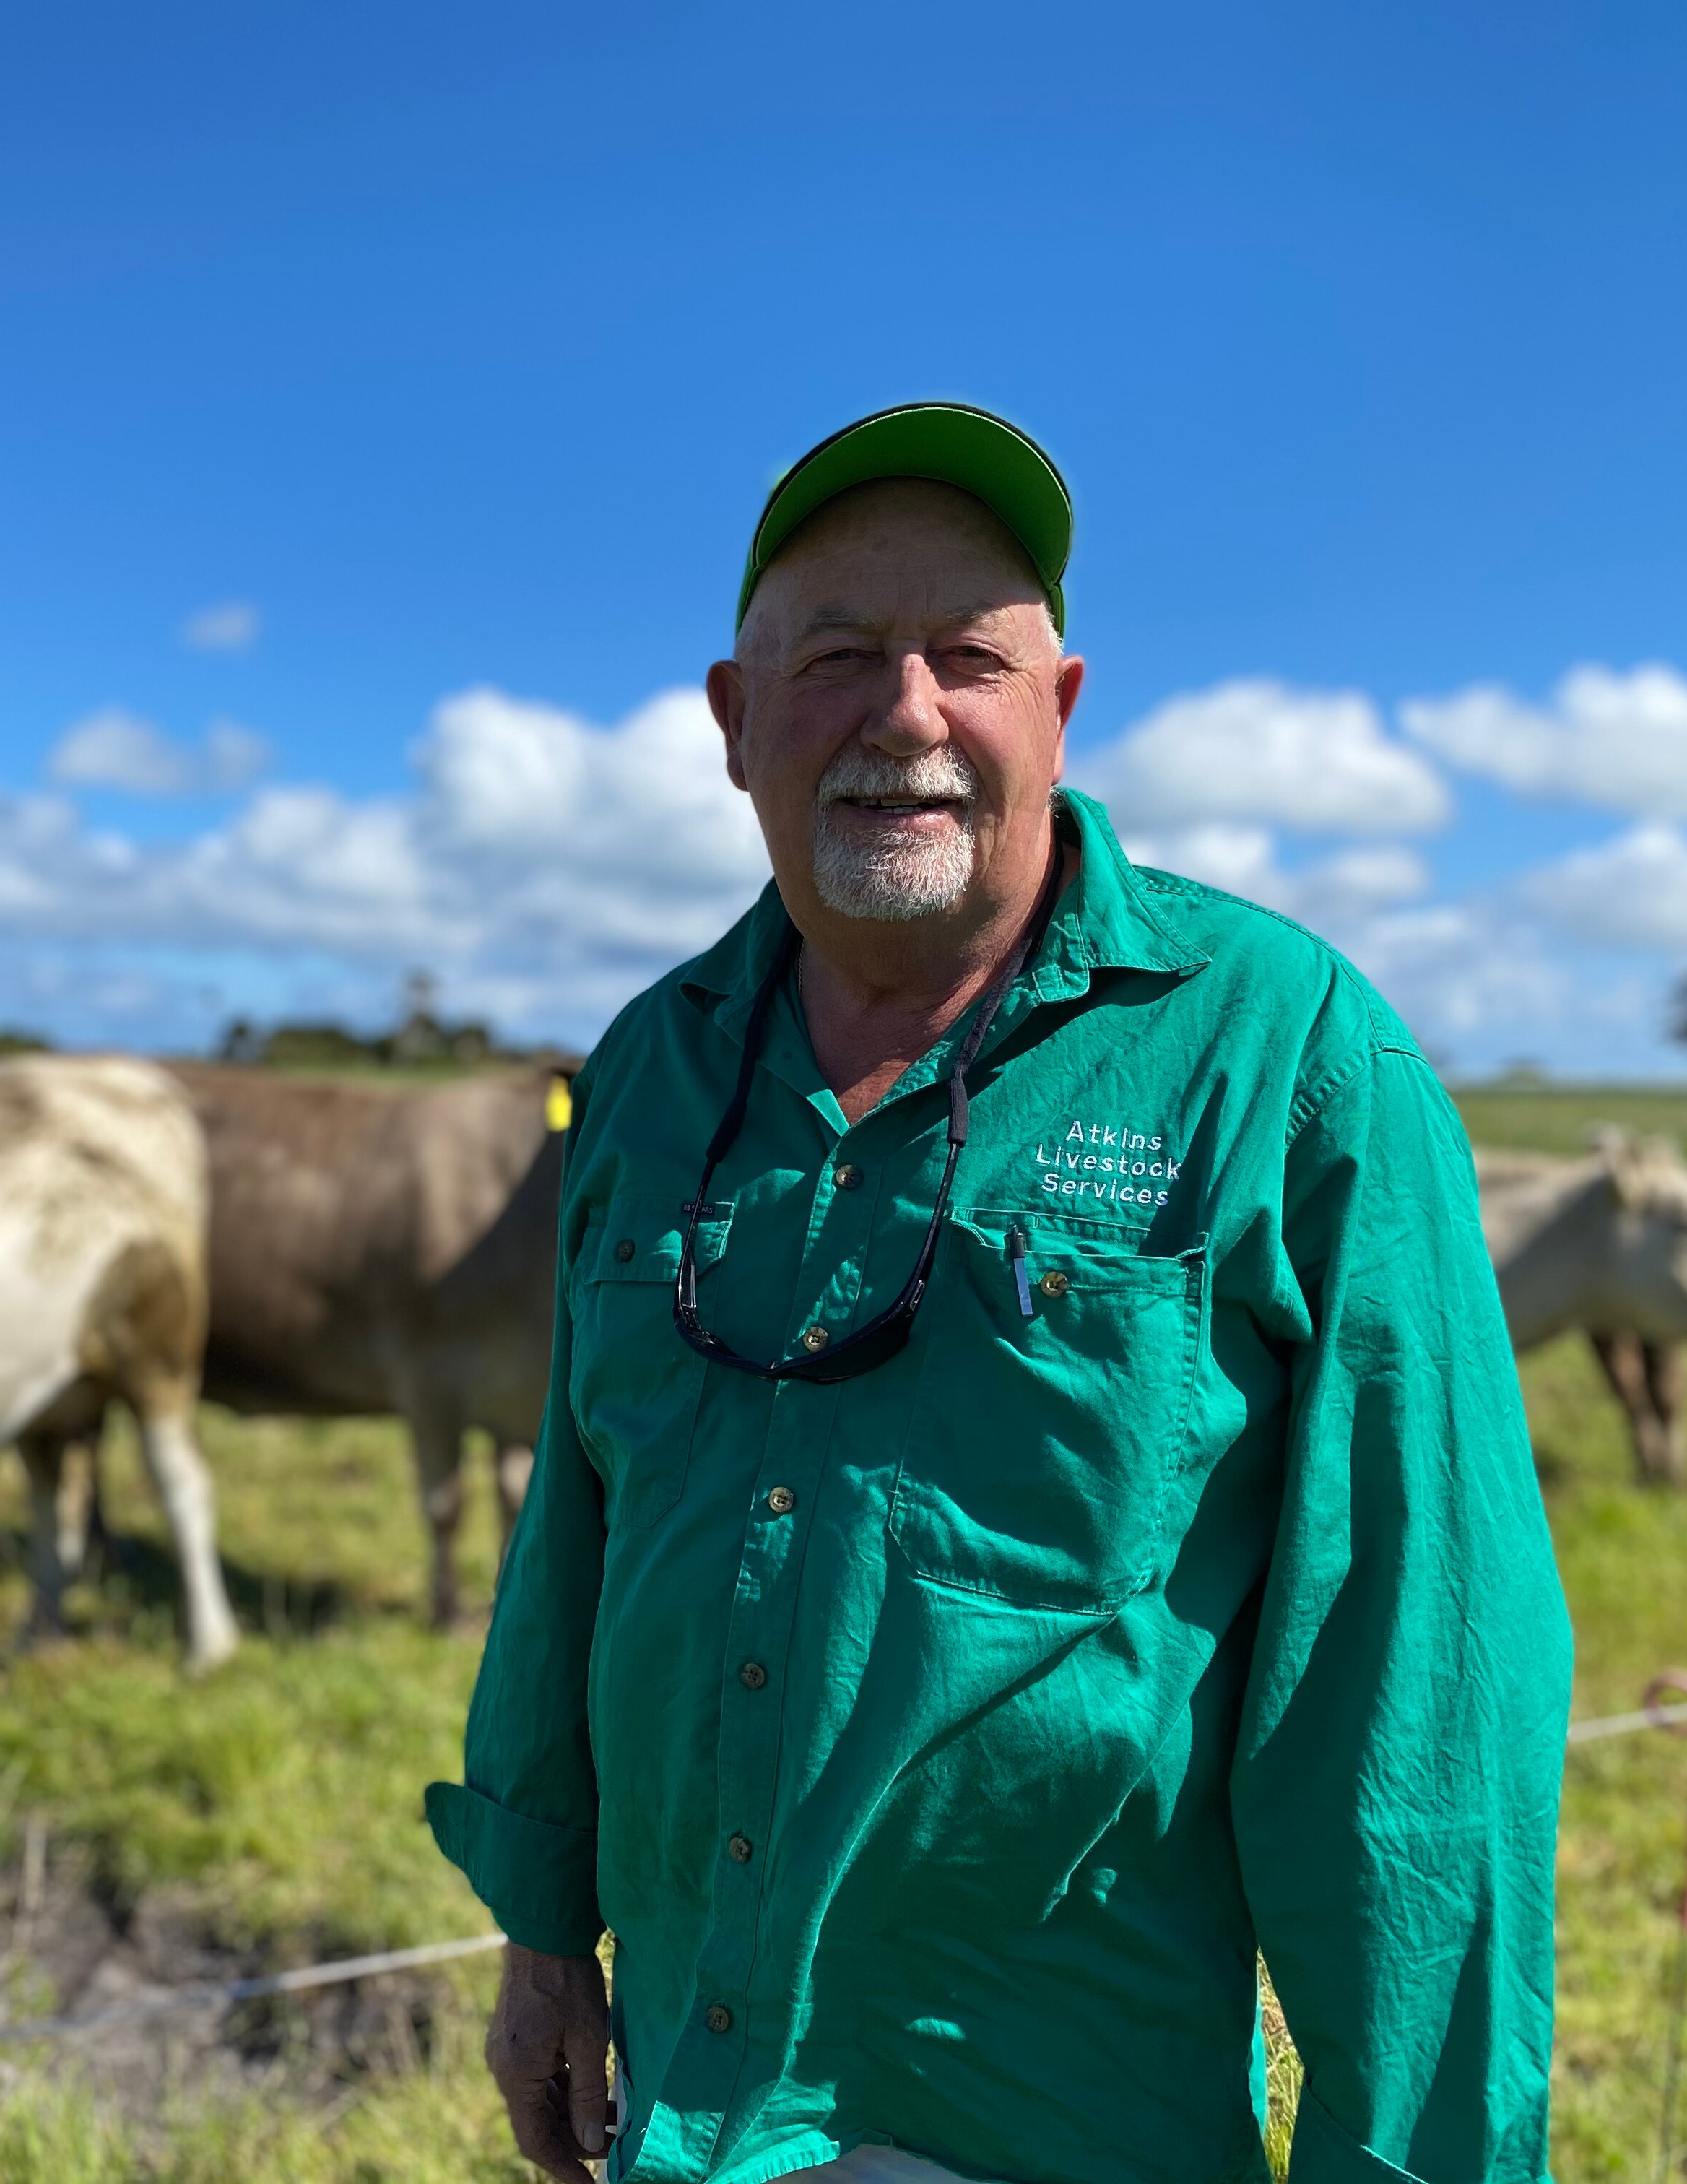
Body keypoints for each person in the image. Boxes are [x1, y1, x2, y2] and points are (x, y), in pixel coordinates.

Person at [426, 403, 1572, 2184]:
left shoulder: (1285, 1053)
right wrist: (539, 1932)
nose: (905, 714)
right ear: (736, 728)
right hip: (686, 2087)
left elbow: (1418, 1694)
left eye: (970, 656)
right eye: (834, 661)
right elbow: (575, 1534)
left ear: (1060, 707)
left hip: (1054, 2113)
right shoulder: (656, 1066)